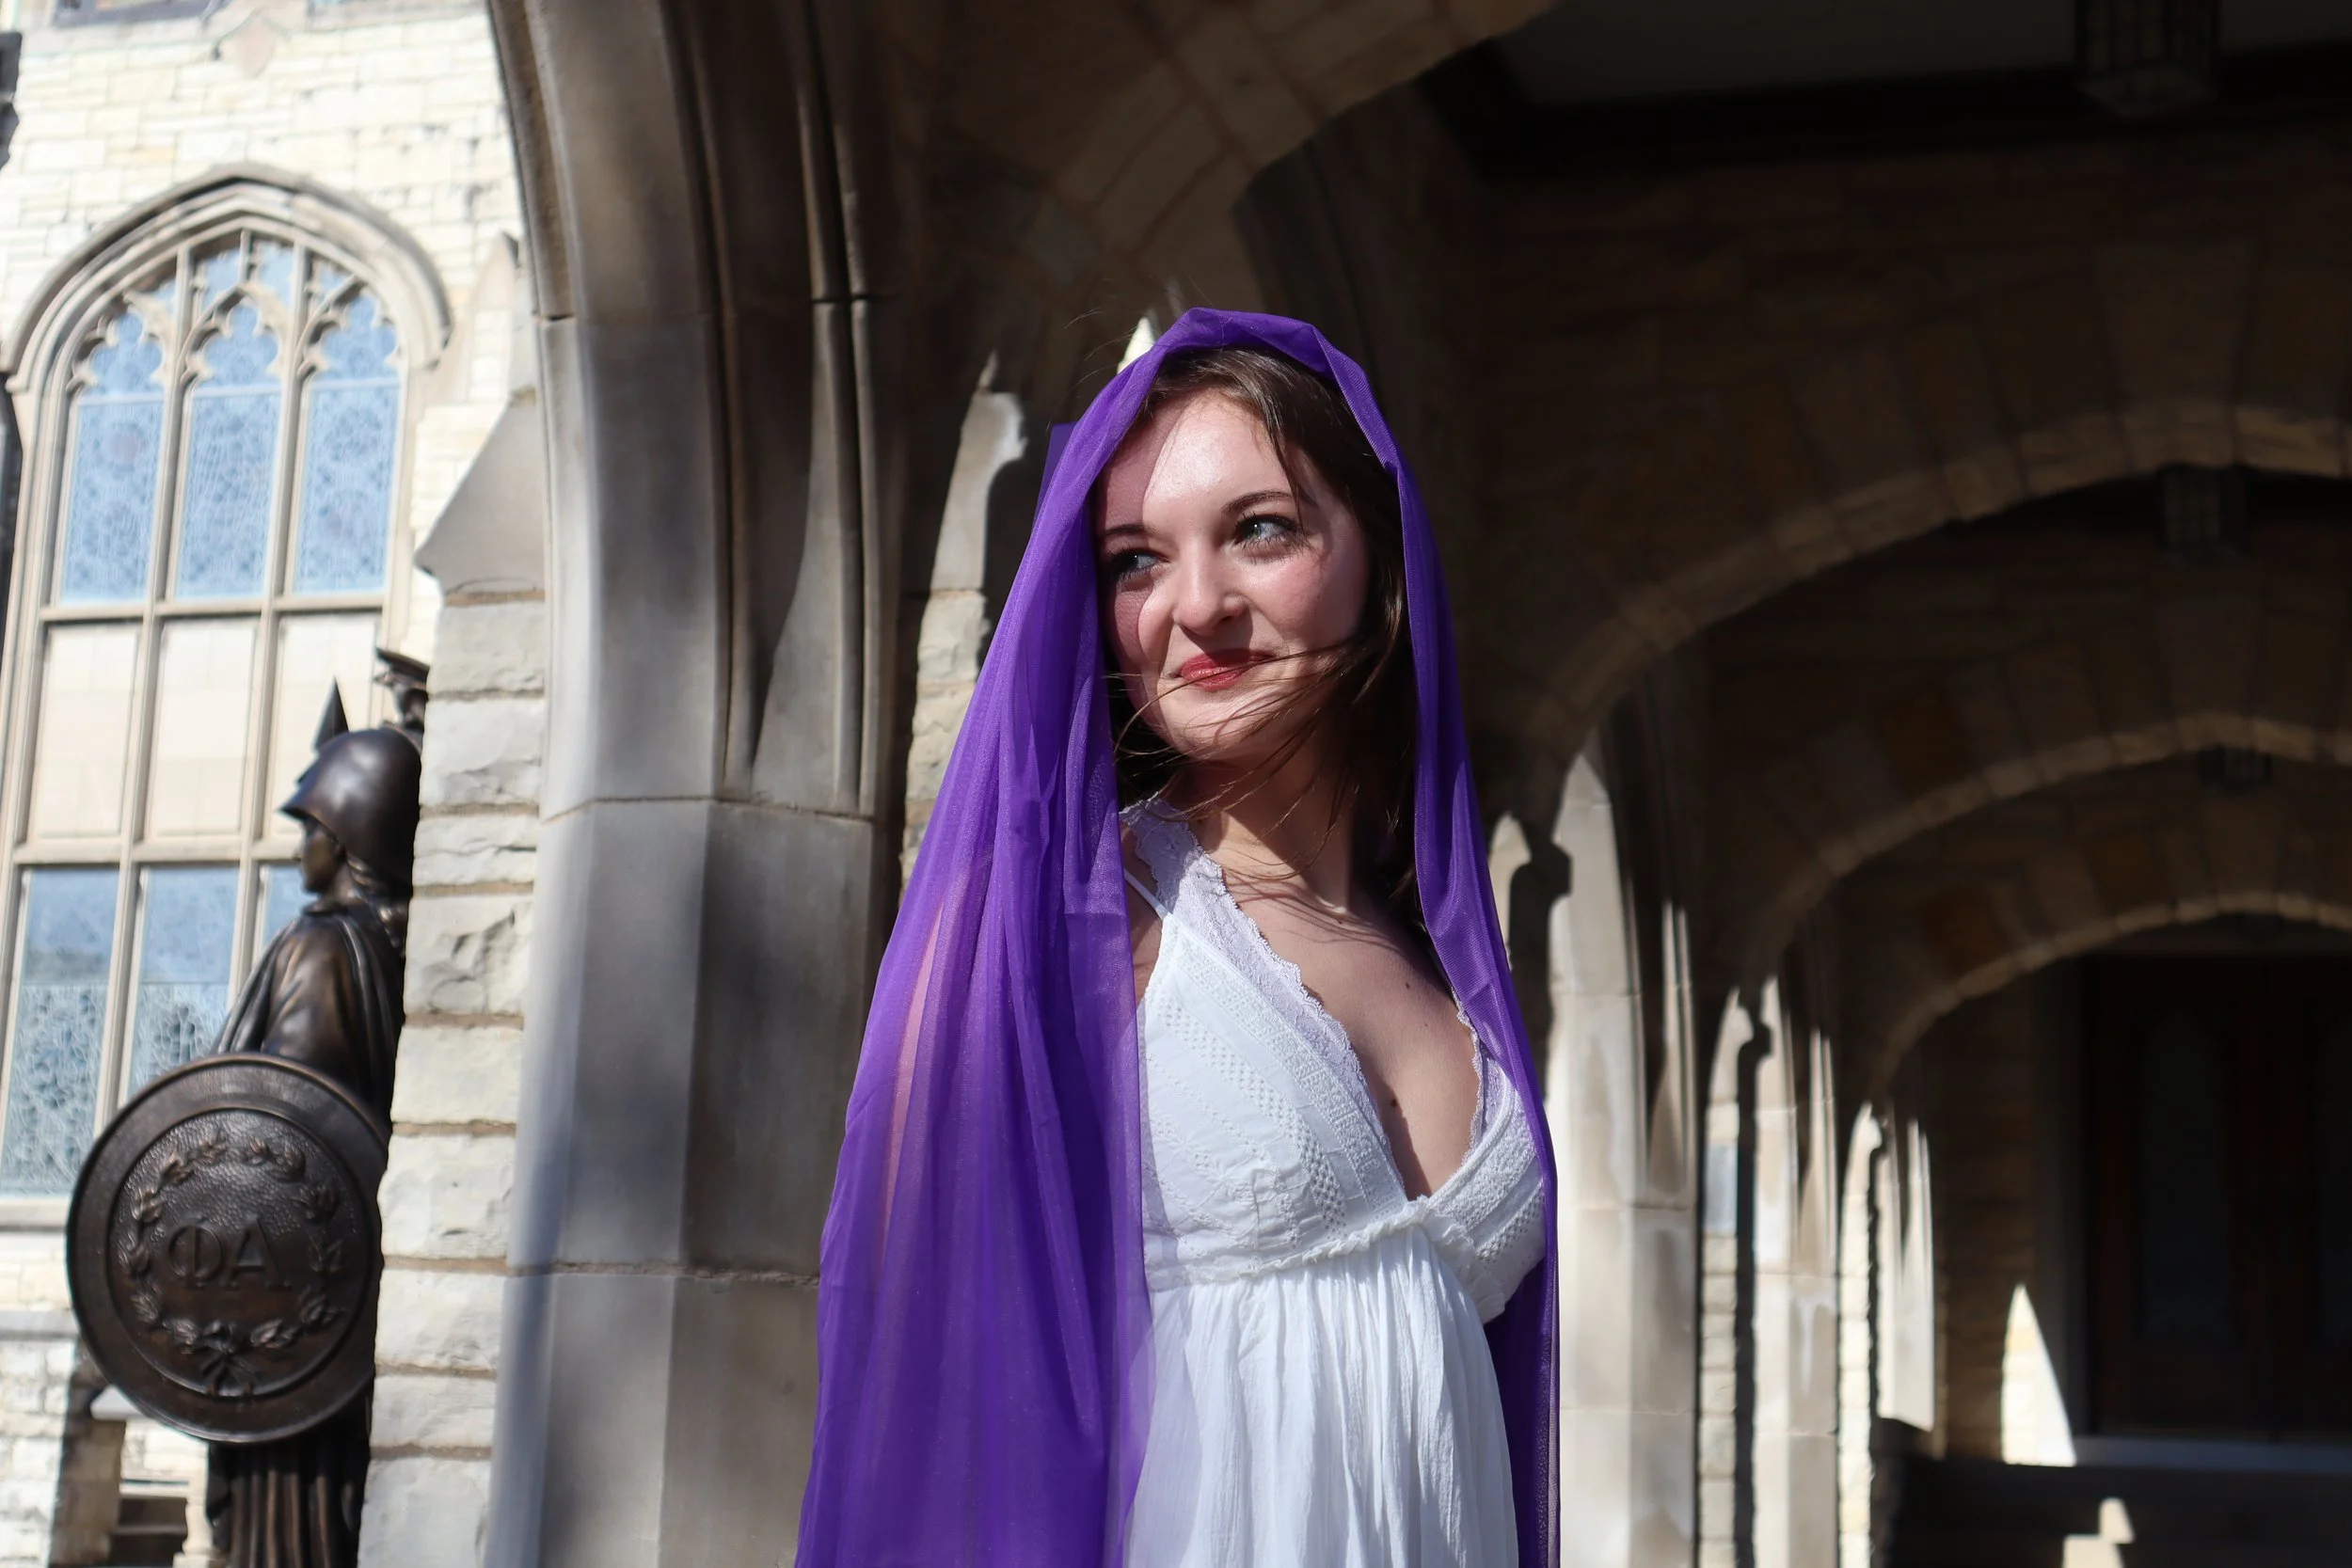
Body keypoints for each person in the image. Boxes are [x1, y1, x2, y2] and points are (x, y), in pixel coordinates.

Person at [798, 311, 1557, 1567]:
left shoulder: (1440, 949)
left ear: (1384, 557)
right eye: (1134, 560)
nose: (1193, 607)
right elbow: (928, 1405)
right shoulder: (1055, 934)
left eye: (1260, 530)